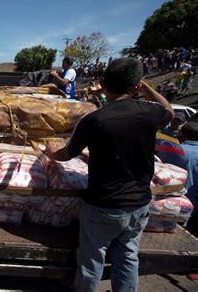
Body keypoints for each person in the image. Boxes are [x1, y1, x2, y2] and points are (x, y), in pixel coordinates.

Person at [47, 58, 174, 292]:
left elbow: (67, 154)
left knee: (92, 257)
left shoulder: (95, 119)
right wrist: (144, 86)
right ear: (135, 86)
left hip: (102, 204)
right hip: (139, 204)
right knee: (127, 256)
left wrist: (49, 154)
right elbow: (169, 110)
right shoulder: (150, 113)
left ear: (103, 85)